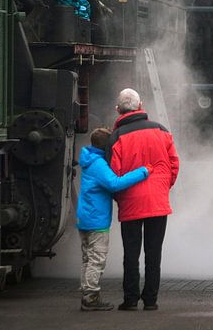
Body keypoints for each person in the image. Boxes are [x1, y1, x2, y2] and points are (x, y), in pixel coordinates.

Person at [108, 88, 179, 311]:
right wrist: (162, 187)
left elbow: (114, 173)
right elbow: (174, 165)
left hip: (131, 203)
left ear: (118, 110)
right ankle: (151, 300)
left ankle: (130, 300)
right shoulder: (161, 130)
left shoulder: (116, 137)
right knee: (153, 253)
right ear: (141, 105)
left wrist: (121, 197)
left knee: (131, 254)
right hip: (158, 203)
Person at [77, 127, 151, 311]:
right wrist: (142, 172)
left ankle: (87, 292)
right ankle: (91, 298)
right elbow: (114, 183)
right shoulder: (98, 164)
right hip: (97, 221)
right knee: (96, 259)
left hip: (86, 218)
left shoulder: (88, 160)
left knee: (87, 258)